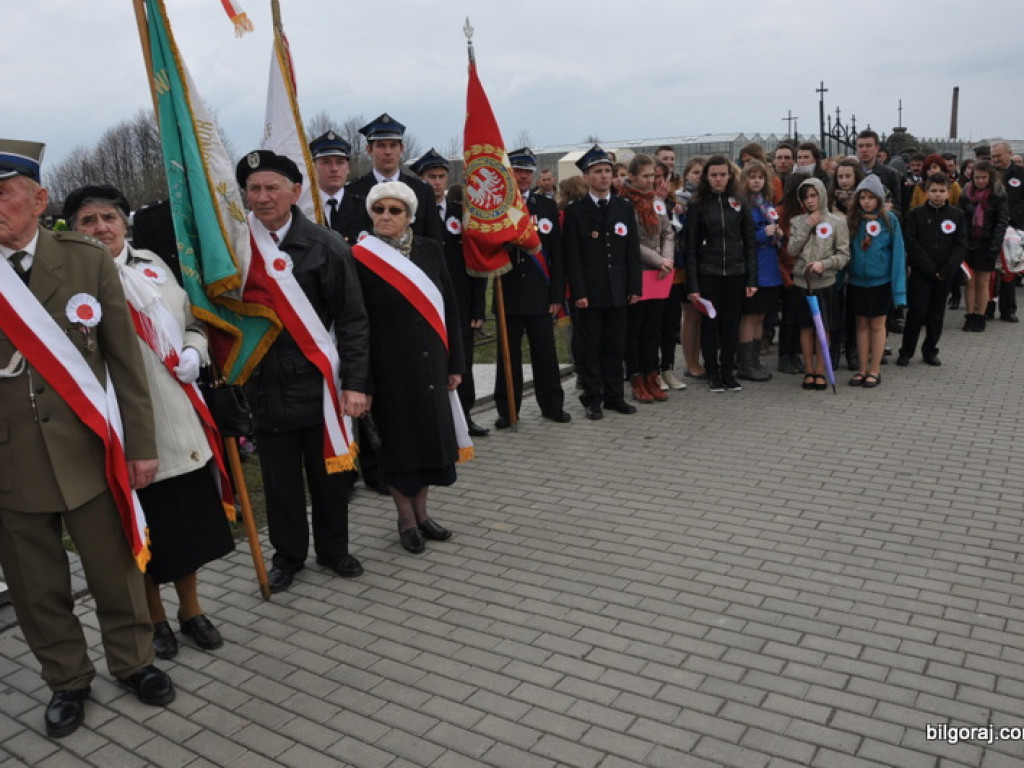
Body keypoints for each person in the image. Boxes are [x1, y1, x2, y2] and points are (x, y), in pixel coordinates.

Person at [0, 139, 173, 738]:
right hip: (10, 458)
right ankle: (67, 680)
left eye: (2, 192)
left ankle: (134, 663)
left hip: (88, 447)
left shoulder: (83, 260)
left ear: (38, 198)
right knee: (35, 584)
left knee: (114, 570)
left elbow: (125, 361)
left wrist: (141, 445)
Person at [64, 184, 236, 660]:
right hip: (125, 431)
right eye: (88, 221)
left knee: (186, 530)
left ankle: (192, 610)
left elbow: (193, 323)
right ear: (74, 231)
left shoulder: (153, 267)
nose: (101, 228)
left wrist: (192, 353)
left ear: (124, 224)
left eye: (108, 218)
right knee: (143, 533)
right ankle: (155, 619)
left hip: (181, 425)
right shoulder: (68, 280)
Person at [237, 149, 370, 592]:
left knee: (330, 477)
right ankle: (288, 557)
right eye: (254, 188)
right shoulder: (236, 248)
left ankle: (334, 550)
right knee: (279, 484)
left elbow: (352, 319)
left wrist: (355, 384)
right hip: (265, 387)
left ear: (295, 191)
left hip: (319, 387)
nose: (262, 197)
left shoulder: (325, 245)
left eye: (272, 187)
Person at [349, 182, 466, 554]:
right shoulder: (359, 257)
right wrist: (361, 380)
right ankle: (405, 519)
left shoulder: (430, 249)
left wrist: (456, 363)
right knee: (398, 446)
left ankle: (423, 513)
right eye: (379, 210)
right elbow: (355, 322)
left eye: (394, 210)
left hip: (430, 363)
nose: (385, 216)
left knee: (428, 440)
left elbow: (448, 306)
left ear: (409, 216)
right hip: (388, 369)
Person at [410, 148, 489, 437]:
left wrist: (478, 308)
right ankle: (435, 422)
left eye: (442, 176)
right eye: (431, 177)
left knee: (462, 361)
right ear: (420, 180)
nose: (437, 183)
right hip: (426, 302)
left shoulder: (461, 215)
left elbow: (477, 264)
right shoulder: (408, 216)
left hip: (460, 302)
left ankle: (465, 417)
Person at [490, 148, 571, 427]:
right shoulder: (496, 207)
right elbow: (488, 250)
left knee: (545, 355)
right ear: (508, 174)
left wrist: (557, 295)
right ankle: (507, 410)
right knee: (508, 357)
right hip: (508, 293)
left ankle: (552, 406)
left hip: (541, 294)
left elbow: (558, 255)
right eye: (517, 171)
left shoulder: (545, 205)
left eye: (527, 171)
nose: (523, 177)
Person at [562, 145, 642, 420]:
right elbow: (572, 256)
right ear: (586, 176)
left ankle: (614, 396)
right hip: (590, 292)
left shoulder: (623, 207)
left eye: (608, 171)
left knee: (615, 346)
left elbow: (631, 250)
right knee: (590, 347)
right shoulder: (576, 211)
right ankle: (592, 398)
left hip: (618, 290)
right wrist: (579, 292)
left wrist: (634, 287)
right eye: (598, 172)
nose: (604, 176)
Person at [685, 155, 758, 392]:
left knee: (730, 324)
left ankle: (728, 371)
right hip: (709, 272)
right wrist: (693, 285)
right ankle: (713, 372)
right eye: (714, 175)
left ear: (730, 176)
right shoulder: (698, 204)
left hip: (736, 273)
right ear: (707, 177)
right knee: (710, 324)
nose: (718, 179)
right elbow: (691, 248)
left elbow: (749, 242)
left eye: (722, 175)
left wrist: (751, 278)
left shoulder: (740, 202)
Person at [338, 114, 444, 245]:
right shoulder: (351, 192)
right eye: (381, 145)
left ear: (401, 149)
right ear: (369, 150)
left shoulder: (422, 191)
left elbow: (434, 244)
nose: (388, 152)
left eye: (393, 145)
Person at [619, 154, 674, 402]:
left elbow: (668, 232)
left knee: (653, 329)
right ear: (632, 176)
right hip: (637, 272)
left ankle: (653, 374)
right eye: (645, 176)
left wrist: (667, 259)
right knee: (635, 330)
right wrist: (658, 259)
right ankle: (636, 377)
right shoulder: (623, 202)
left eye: (653, 175)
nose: (651, 180)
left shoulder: (657, 201)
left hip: (659, 273)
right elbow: (631, 241)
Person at [786, 177, 850, 389]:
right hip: (802, 283)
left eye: (814, 196)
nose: (810, 201)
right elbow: (791, 250)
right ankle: (809, 370)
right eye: (806, 197)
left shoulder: (837, 222)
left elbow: (843, 255)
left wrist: (824, 264)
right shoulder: (797, 221)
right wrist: (807, 226)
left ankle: (821, 369)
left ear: (822, 195)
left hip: (825, 284)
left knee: (824, 328)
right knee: (805, 327)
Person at [898, 173, 967, 366]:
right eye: (933, 191)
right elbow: (911, 243)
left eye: (941, 191)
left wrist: (946, 270)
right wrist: (929, 268)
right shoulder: (916, 215)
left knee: (936, 313)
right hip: (922, 273)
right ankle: (906, 351)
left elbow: (960, 245)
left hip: (944, 274)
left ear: (948, 192)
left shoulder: (957, 215)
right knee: (916, 312)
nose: (937, 195)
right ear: (926, 192)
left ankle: (930, 350)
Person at [844, 175, 906, 386]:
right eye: (862, 197)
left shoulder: (890, 220)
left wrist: (899, 292)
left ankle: (875, 369)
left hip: (881, 281)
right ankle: (862, 368)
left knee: (878, 325)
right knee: (861, 325)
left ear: (879, 199)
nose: (866, 202)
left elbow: (898, 255)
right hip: (857, 282)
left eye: (871, 197)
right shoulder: (853, 219)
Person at [737, 160, 783, 381]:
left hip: (769, 266)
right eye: (752, 176)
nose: (756, 180)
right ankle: (745, 363)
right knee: (750, 316)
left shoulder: (766, 204)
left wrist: (777, 234)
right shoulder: (742, 205)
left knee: (760, 316)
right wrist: (763, 233)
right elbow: (742, 239)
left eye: (760, 177)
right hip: (754, 268)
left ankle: (754, 361)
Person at [959, 160, 1010, 332]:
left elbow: (1001, 222)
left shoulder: (998, 194)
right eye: (977, 177)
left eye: (983, 177)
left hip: (987, 243)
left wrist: (995, 247)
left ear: (990, 177)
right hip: (968, 243)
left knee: (983, 282)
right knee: (969, 281)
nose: (980, 181)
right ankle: (969, 315)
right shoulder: (966, 192)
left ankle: (980, 316)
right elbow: (960, 218)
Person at [991, 141, 1024, 322]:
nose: (995, 160)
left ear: (1009, 154)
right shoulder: (987, 173)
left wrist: (1011, 216)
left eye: (998, 156)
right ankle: (987, 308)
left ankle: (1008, 310)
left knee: (1008, 269)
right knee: (990, 270)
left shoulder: (1020, 174)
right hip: (991, 227)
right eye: (993, 156)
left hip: (1012, 228)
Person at [310, 131, 362, 240]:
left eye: (340, 162)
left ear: (348, 168)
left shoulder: (364, 209)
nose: (334, 169)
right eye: (327, 162)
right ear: (313, 168)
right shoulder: (304, 209)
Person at [855, 130, 901, 212]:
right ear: (856, 148)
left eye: (868, 146)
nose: (864, 150)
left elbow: (898, 205)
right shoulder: (851, 173)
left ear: (877, 148)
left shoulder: (890, 174)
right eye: (861, 146)